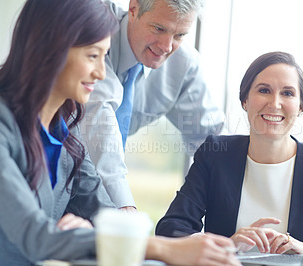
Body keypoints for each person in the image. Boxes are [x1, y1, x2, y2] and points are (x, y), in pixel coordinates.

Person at [0, 0, 240, 265]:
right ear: (50, 48)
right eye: (93, 56)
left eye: (104, 56)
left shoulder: (65, 133)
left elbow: (105, 210)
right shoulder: (6, 126)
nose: (102, 72)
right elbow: (36, 235)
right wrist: (161, 247)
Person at [155, 52, 303, 265]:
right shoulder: (216, 154)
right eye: (264, 90)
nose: (275, 103)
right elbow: (171, 230)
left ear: (301, 106)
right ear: (245, 100)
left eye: (288, 93)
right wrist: (226, 245)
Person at [79, 0, 225, 209]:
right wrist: (126, 210)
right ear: (133, 9)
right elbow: (100, 123)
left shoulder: (183, 65)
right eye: (158, 29)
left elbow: (212, 140)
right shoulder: (97, 32)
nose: (166, 47)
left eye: (179, 35)